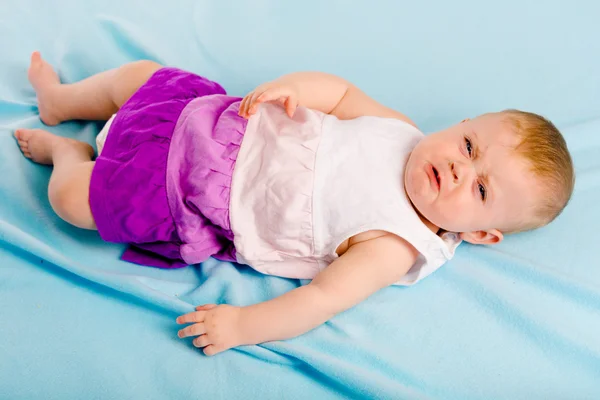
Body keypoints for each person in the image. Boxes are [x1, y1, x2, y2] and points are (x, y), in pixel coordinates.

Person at [15, 52, 574, 355]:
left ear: (481, 234)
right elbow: (341, 94)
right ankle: (61, 100)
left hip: (189, 192)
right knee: (139, 76)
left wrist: (244, 326)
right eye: (470, 146)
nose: (458, 168)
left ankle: (70, 156)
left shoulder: (393, 246)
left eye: (479, 189)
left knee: (75, 203)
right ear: (462, 124)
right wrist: (296, 91)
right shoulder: (399, 130)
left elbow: (321, 300)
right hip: (215, 119)